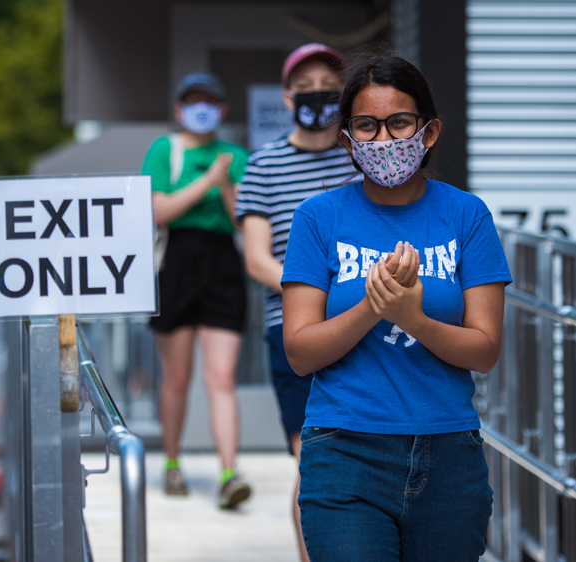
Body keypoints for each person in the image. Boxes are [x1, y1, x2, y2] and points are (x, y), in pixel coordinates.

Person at [280, 47, 512, 561]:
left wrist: (415, 320)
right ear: (347, 139)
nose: (384, 139)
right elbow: (300, 352)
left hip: (449, 454)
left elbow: (485, 350)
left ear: (428, 132)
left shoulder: (467, 215)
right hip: (344, 451)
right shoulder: (317, 218)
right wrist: (374, 305)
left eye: (399, 122)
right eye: (366, 125)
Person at [236, 43, 359, 562]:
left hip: (363, 326)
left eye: (327, 86)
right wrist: (312, 290)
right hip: (291, 329)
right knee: (312, 459)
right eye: (305, 88)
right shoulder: (264, 165)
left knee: (359, 454)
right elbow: (256, 257)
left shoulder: (361, 157)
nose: (317, 96)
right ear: (287, 99)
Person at [141, 71, 253, 509]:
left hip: (222, 263)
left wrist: (224, 182)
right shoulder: (164, 150)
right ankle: (172, 463)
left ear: (222, 110)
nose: (201, 108)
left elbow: (244, 219)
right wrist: (207, 181)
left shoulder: (237, 156)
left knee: (221, 377)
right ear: (178, 109)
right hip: (177, 265)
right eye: (193, 100)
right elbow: (158, 211)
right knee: (178, 377)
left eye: (210, 100)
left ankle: (229, 471)